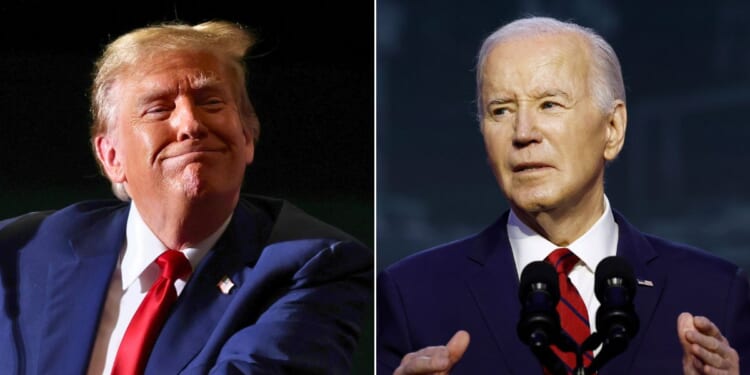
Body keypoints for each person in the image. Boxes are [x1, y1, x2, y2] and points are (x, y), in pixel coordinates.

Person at [377, 16, 750, 375]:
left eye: (549, 104)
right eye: (501, 110)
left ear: (613, 128)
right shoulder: (411, 296)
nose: (523, 133)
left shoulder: (714, 294)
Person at [0, 20, 372, 374]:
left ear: (246, 137)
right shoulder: (18, 252)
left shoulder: (313, 267)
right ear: (112, 157)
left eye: (211, 102)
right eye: (159, 109)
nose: (191, 124)